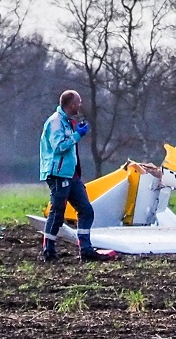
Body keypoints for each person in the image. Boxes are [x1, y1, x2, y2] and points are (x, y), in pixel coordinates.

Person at [38, 90, 115, 262]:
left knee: (86, 210)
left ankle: (86, 250)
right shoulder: (55, 122)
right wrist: (77, 135)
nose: (80, 105)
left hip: (71, 175)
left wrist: (75, 133)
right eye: (78, 102)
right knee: (57, 213)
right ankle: (48, 252)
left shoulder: (66, 122)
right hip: (58, 175)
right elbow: (58, 147)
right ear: (71, 104)